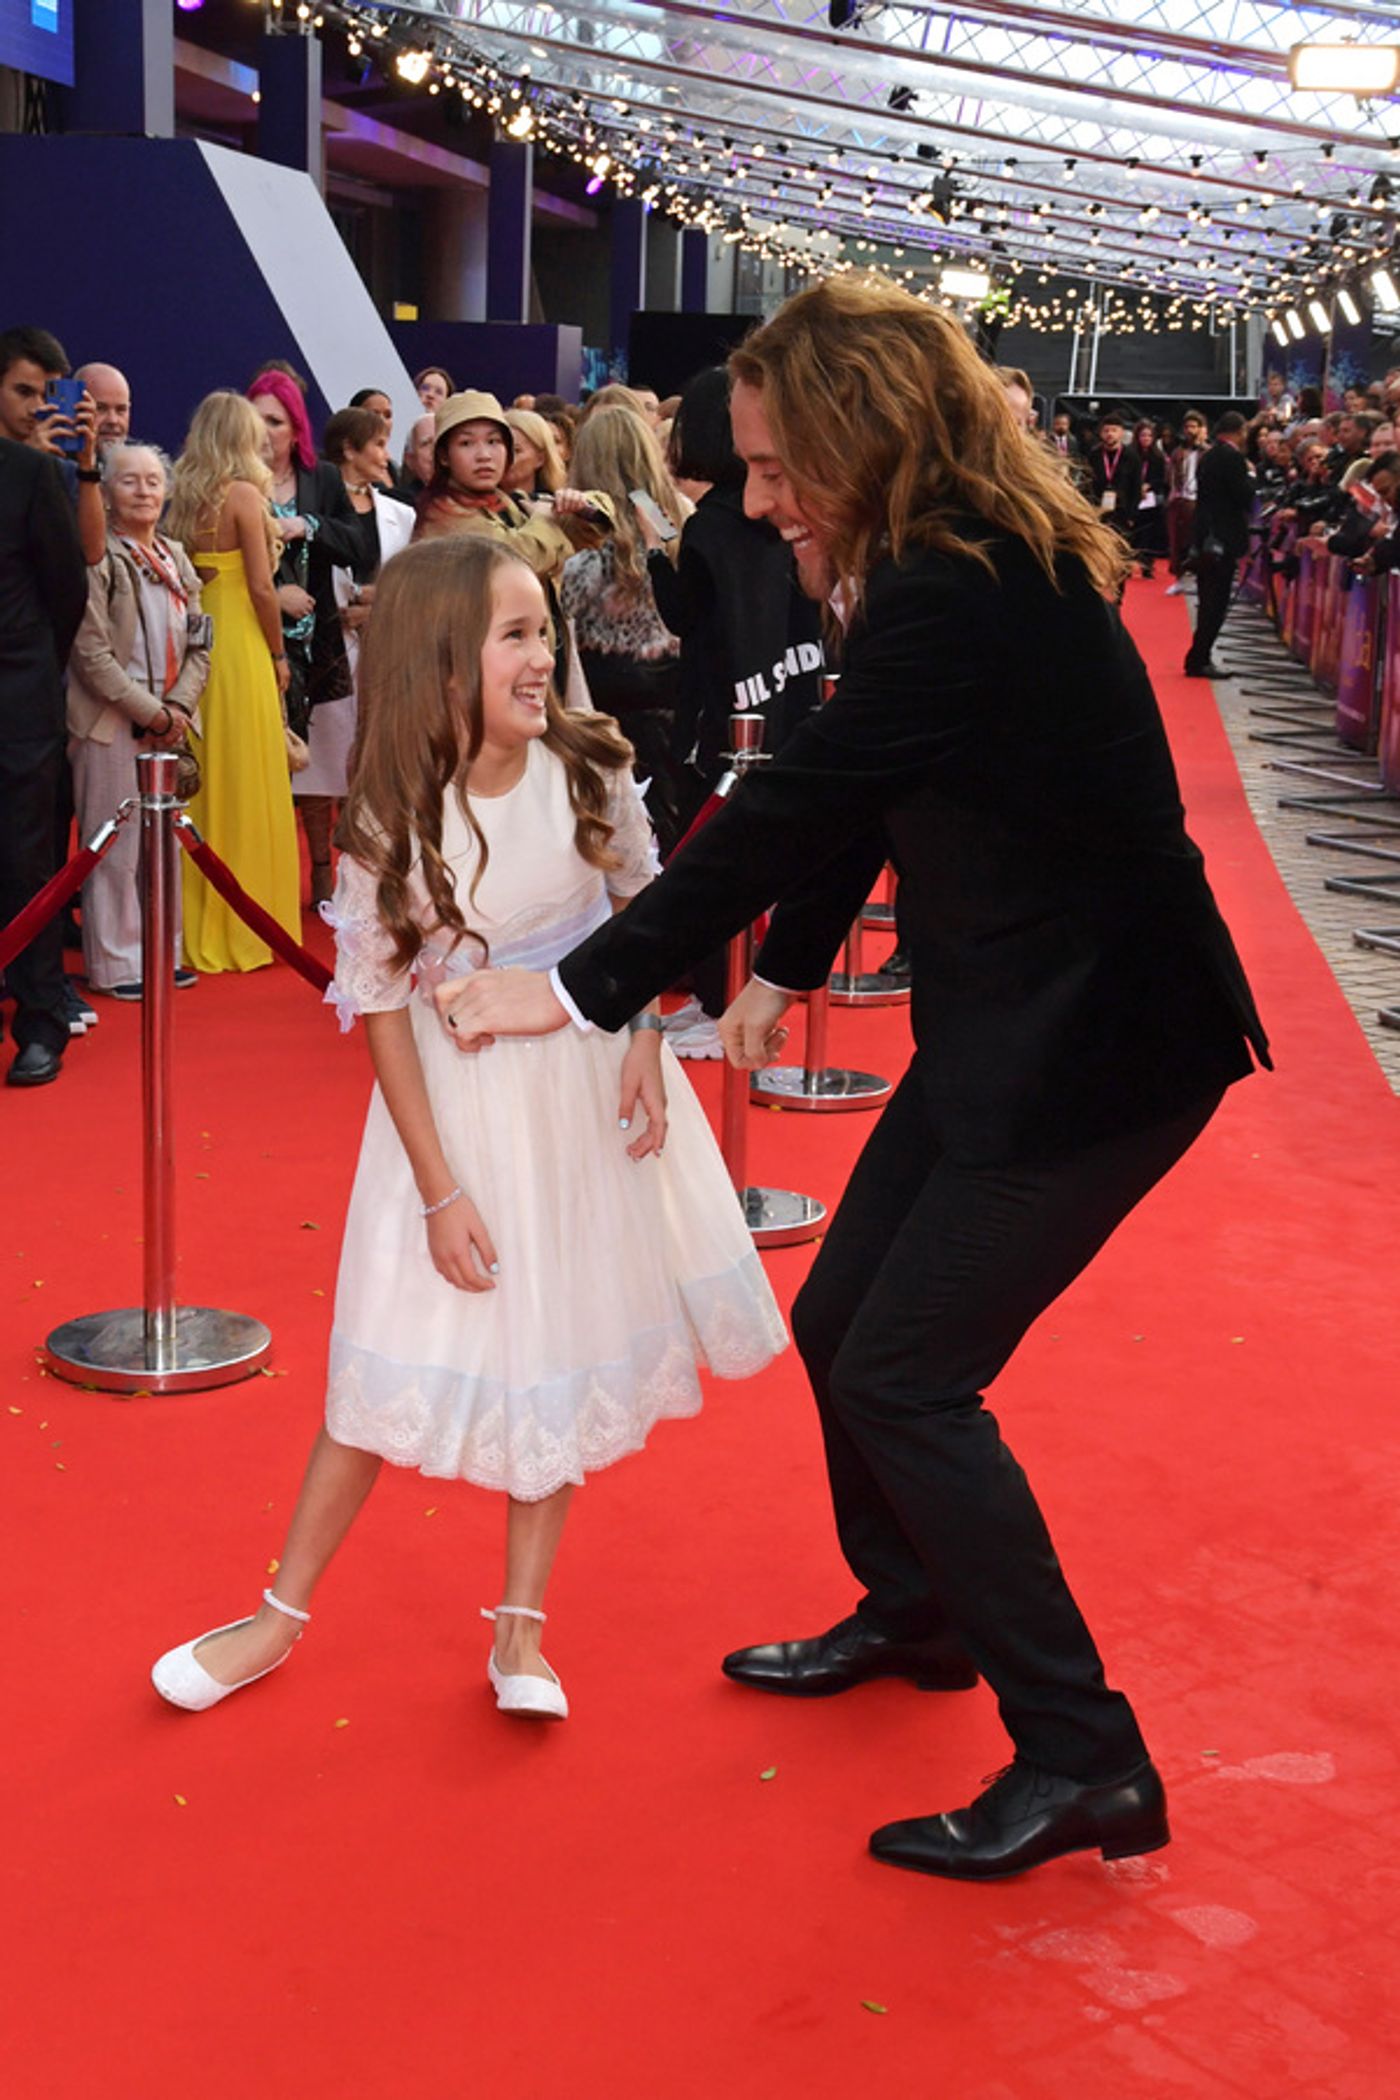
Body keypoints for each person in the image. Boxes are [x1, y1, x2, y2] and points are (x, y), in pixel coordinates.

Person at [439, 277, 1270, 1882]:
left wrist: (577, 986)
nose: (752, 504)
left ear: (856, 437)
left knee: (903, 1371)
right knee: (841, 1325)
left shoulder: (967, 584)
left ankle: (1086, 1757)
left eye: (769, 470)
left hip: (1099, 1047)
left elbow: (803, 795)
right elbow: (866, 785)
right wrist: (787, 970)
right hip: (1013, 1028)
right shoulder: (935, 572)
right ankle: (919, 1612)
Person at [149, 534, 785, 1722]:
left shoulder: (590, 766)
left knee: (552, 1355)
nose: (543, 656)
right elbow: (384, 1009)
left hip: (583, 1105)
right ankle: (273, 1620)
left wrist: (646, 1037)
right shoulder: (395, 810)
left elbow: (640, 908)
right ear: (443, 663)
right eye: (515, 635)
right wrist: (437, 1190)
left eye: (544, 628)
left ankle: (521, 1633)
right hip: (446, 1122)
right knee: (378, 1363)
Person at [66, 443, 209, 998]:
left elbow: (201, 641)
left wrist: (176, 709)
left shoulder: (176, 554)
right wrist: (150, 712)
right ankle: (116, 965)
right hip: (109, 723)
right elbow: (91, 651)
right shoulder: (100, 558)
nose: (145, 490)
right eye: (130, 481)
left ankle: (159, 954)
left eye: (154, 480)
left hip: (168, 720)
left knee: (163, 846)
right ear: (106, 491)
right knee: (117, 847)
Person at [166, 392, 300, 971]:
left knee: (207, 775)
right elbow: (264, 589)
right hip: (242, 643)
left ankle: (198, 918)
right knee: (246, 773)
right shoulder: (245, 496)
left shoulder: (180, 499)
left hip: (195, 644)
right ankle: (248, 920)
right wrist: (277, 652)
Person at [248, 369, 373, 886]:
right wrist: (273, 595)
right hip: (254, 638)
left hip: (316, 643)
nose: (263, 431)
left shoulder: (320, 479)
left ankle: (320, 866)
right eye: (254, 419)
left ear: (296, 428)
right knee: (261, 762)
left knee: (315, 761)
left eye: (274, 421)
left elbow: (357, 545)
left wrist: (311, 526)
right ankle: (262, 871)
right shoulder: (233, 480)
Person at [294, 405, 414, 902]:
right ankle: (321, 865)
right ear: (349, 449)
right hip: (327, 647)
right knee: (322, 762)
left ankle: (370, 867)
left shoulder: (400, 513)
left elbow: (411, 582)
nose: (387, 455)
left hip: (384, 651)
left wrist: (379, 606)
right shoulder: (312, 506)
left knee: (378, 761)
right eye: (379, 444)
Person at [0, 430, 87, 1085]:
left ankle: (38, 1023)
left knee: (27, 857)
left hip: (18, 700)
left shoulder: (31, 473)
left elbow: (67, 588)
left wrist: (33, 672)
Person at [559, 405, 686, 848]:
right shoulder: (672, 516)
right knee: (667, 829)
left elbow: (562, 607)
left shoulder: (580, 531)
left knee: (612, 835)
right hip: (675, 696)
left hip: (602, 701)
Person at [1184, 410, 1255, 680]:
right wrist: (1251, 477)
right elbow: (1243, 496)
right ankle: (1199, 658)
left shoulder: (1209, 456)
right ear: (1239, 431)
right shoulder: (1234, 458)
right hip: (1222, 540)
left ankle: (1198, 655)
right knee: (1216, 603)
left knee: (1207, 600)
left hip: (1205, 537)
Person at [1084, 410, 1141, 555]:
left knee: (1121, 550)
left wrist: (1132, 515)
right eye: (1106, 430)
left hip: (1122, 511)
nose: (1110, 434)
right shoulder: (1094, 455)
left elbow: (1136, 487)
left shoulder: (1131, 456)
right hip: (1099, 510)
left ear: (1121, 433)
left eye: (1114, 430)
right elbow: (1087, 483)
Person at [1164, 409, 1207, 595]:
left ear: (1201, 429)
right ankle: (1179, 579)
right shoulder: (1178, 452)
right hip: (1179, 499)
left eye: (1194, 426)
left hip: (1199, 501)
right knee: (1176, 542)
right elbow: (1170, 477)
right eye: (1187, 426)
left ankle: (1199, 579)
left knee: (1197, 542)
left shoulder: (1208, 452)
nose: (1190, 430)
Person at [1130, 418, 1167, 579]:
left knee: (1150, 533)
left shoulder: (1158, 457)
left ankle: (1147, 565)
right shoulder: (1130, 455)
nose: (1145, 439)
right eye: (1143, 435)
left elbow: (1161, 479)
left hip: (1151, 499)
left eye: (1149, 436)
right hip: (1133, 497)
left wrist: (1148, 486)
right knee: (1133, 533)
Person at [502, 407, 566, 497]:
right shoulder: (478, 506)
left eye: (516, 451)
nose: (504, 457)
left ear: (540, 459)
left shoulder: (556, 505)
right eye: (501, 449)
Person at [74, 362, 132, 454]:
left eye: (121, 410)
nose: (113, 420)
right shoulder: (54, 465)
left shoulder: (141, 464)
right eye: (100, 409)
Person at [400, 411, 436, 498]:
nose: (435, 449)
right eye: (426, 443)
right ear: (410, 460)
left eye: (441, 441)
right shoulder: (400, 504)